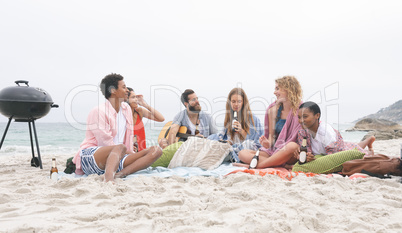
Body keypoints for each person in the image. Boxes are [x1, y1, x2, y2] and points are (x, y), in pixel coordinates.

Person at [72, 73, 162, 182]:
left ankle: (119, 175)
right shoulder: (99, 111)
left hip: (119, 157)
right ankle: (109, 179)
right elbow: (104, 143)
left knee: (156, 151)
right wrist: (127, 152)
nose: (127, 90)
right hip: (93, 157)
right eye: (123, 87)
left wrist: (133, 155)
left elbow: (128, 140)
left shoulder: (126, 109)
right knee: (120, 147)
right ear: (113, 90)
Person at [235, 76, 302, 168]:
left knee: (292, 146)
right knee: (242, 153)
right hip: (273, 151)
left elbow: (301, 139)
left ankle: (259, 165)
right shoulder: (273, 111)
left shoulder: (301, 110)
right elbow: (271, 138)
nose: (274, 92)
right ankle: (279, 164)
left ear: (288, 89)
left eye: (277, 89)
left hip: (289, 153)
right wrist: (267, 143)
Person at [296, 101, 375, 162]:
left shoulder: (325, 132)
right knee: (351, 145)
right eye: (299, 117)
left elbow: (333, 158)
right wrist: (306, 156)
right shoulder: (302, 132)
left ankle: (370, 149)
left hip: (339, 150)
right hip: (328, 151)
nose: (301, 120)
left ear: (317, 115)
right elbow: (306, 151)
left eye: (305, 116)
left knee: (361, 154)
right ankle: (366, 141)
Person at [208, 87, 263, 162]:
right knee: (212, 141)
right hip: (233, 148)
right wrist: (227, 142)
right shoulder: (230, 117)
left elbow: (256, 142)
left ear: (243, 102)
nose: (236, 104)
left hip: (245, 149)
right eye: (233, 101)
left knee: (247, 144)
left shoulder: (252, 118)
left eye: (239, 101)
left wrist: (241, 131)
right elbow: (229, 138)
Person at [127, 87, 165, 152]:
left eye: (136, 97)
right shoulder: (122, 115)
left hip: (141, 152)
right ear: (126, 99)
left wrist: (145, 105)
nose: (136, 99)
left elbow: (161, 118)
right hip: (128, 152)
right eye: (133, 97)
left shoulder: (139, 111)